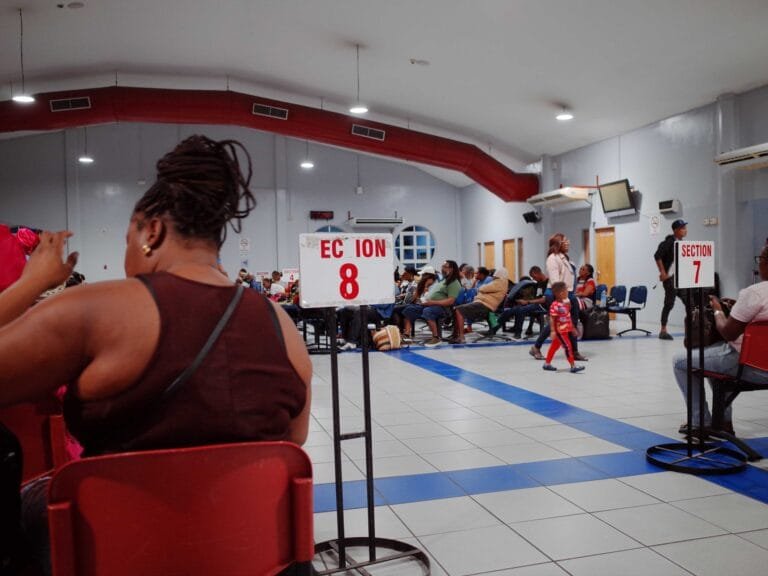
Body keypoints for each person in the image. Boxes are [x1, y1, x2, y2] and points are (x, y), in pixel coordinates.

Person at [0, 135, 312, 574]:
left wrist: (30, 284)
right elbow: (293, 441)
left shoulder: (94, 309)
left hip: (121, 553)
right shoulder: (282, 325)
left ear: (152, 232)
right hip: (253, 558)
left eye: (128, 239)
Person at [673, 243, 768, 435]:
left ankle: (700, 422)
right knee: (714, 358)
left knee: (681, 361)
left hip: (754, 368)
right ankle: (723, 422)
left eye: (760, 259)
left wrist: (717, 307)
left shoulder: (755, 293)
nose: (759, 264)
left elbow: (727, 332)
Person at [529, 234, 587, 361]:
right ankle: (536, 347)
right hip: (557, 294)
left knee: (573, 322)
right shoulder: (552, 259)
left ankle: (575, 351)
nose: (568, 242)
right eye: (565, 240)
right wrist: (563, 300)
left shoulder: (565, 258)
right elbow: (555, 282)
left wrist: (571, 297)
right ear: (558, 243)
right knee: (556, 323)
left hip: (569, 294)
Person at [402, 260, 461, 347]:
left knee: (428, 311)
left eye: (445, 267)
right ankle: (407, 336)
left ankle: (436, 338)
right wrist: (426, 301)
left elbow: (451, 301)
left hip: (443, 308)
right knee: (409, 309)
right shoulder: (443, 281)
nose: (442, 269)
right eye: (442, 267)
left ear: (452, 269)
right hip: (430, 304)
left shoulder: (454, 283)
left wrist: (432, 302)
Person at [448, 267, 508, 344]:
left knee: (458, 310)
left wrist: (480, 289)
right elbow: (479, 289)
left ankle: (461, 337)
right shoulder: (496, 282)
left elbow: (482, 289)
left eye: (477, 273)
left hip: (485, 305)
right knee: (457, 309)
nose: (475, 274)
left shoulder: (499, 282)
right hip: (482, 304)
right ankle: (455, 335)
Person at [655, 219, 688, 340]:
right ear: (675, 230)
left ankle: (690, 328)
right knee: (669, 303)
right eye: (682, 228)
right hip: (670, 279)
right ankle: (663, 330)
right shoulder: (669, 242)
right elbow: (657, 255)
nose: (685, 230)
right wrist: (663, 272)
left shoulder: (682, 243)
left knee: (689, 303)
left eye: (685, 228)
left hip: (680, 279)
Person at [542, 282, 585, 373]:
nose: (567, 292)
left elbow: (567, 317)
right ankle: (573, 366)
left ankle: (547, 364)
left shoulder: (565, 304)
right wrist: (553, 331)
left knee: (554, 347)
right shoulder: (555, 305)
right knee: (568, 347)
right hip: (560, 331)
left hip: (565, 330)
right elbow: (552, 319)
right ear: (561, 293)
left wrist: (572, 328)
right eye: (566, 291)